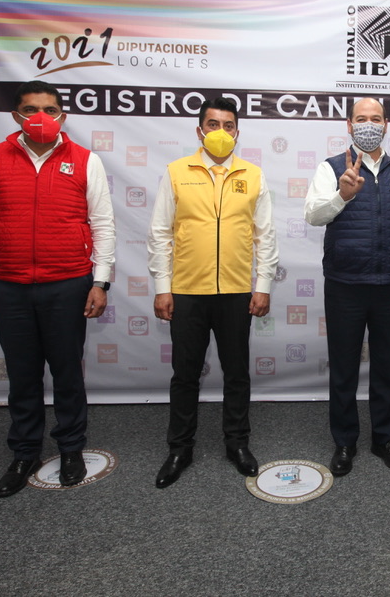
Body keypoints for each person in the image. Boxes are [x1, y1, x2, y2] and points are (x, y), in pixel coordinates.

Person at [0, 80, 115, 498]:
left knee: (67, 373)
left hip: (68, 283)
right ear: (16, 116)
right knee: (23, 375)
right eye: (31, 110)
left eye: (49, 109)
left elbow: (102, 224)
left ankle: (70, 448)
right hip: (9, 285)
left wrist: (100, 281)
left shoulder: (86, 160)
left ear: (63, 116)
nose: (40, 117)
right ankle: (25, 452)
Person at [147, 97, 277, 488]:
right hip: (187, 291)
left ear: (237, 131)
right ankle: (179, 449)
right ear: (200, 130)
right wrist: (162, 287)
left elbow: (265, 235)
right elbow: (160, 232)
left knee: (237, 374)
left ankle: (237, 443)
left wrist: (263, 285)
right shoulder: (176, 171)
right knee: (185, 375)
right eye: (213, 124)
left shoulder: (253, 174)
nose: (221, 132)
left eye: (228, 125)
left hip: (236, 292)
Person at [304, 97, 390, 476]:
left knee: (386, 367)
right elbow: (312, 216)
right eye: (361, 118)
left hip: (389, 284)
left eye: (376, 118)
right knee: (343, 368)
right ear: (349, 125)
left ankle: (384, 438)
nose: (368, 124)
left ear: (386, 124)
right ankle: (345, 441)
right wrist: (342, 194)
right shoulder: (330, 168)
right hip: (345, 284)